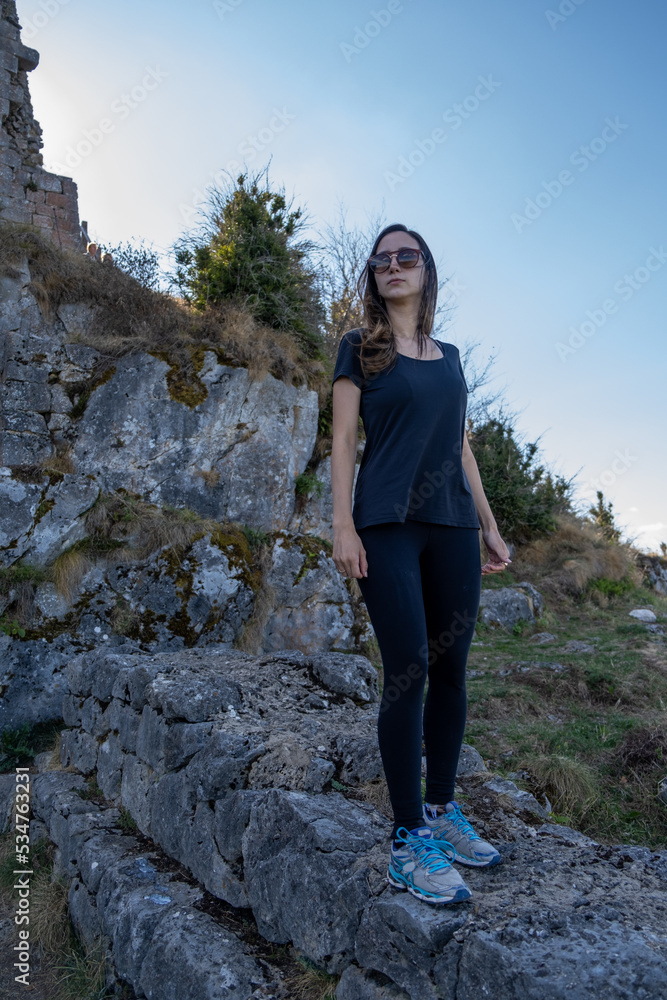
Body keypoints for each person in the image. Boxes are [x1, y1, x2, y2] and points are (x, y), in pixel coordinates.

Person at [330, 223, 512, 906]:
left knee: (451, 671)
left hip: (452, 528)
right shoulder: (359, 349)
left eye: (406, 257)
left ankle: (440, 812)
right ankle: (407, 842)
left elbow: (460, 449)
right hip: (386, 523)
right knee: (406, 669)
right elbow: (344, 441)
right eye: (381, 261)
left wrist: (489, 525)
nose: (393, 266)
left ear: (427, 270)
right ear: (373, 277)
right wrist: (342, 524)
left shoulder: (451, 356)